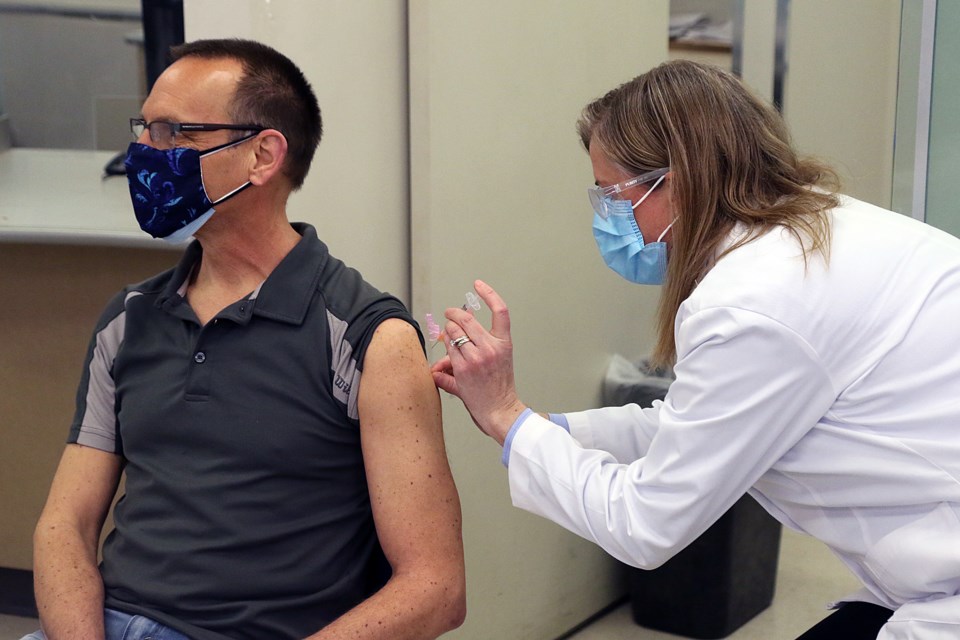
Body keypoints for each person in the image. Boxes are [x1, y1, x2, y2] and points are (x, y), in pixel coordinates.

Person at [432, 60, 960, 640]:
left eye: (613, 193)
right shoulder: (816, 226)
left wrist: (506, 417)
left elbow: (644, 525)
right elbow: (697, 425)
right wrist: (542, 426)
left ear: (676, 179)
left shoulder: (754, 303)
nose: (608, 215)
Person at [27, 39, 465, 640]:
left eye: (173, 132)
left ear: (262, 155)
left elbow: (436, 590)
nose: (143, 154)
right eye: (144, 129)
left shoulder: (370, 338)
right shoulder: (127, 320)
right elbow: (65, 527)